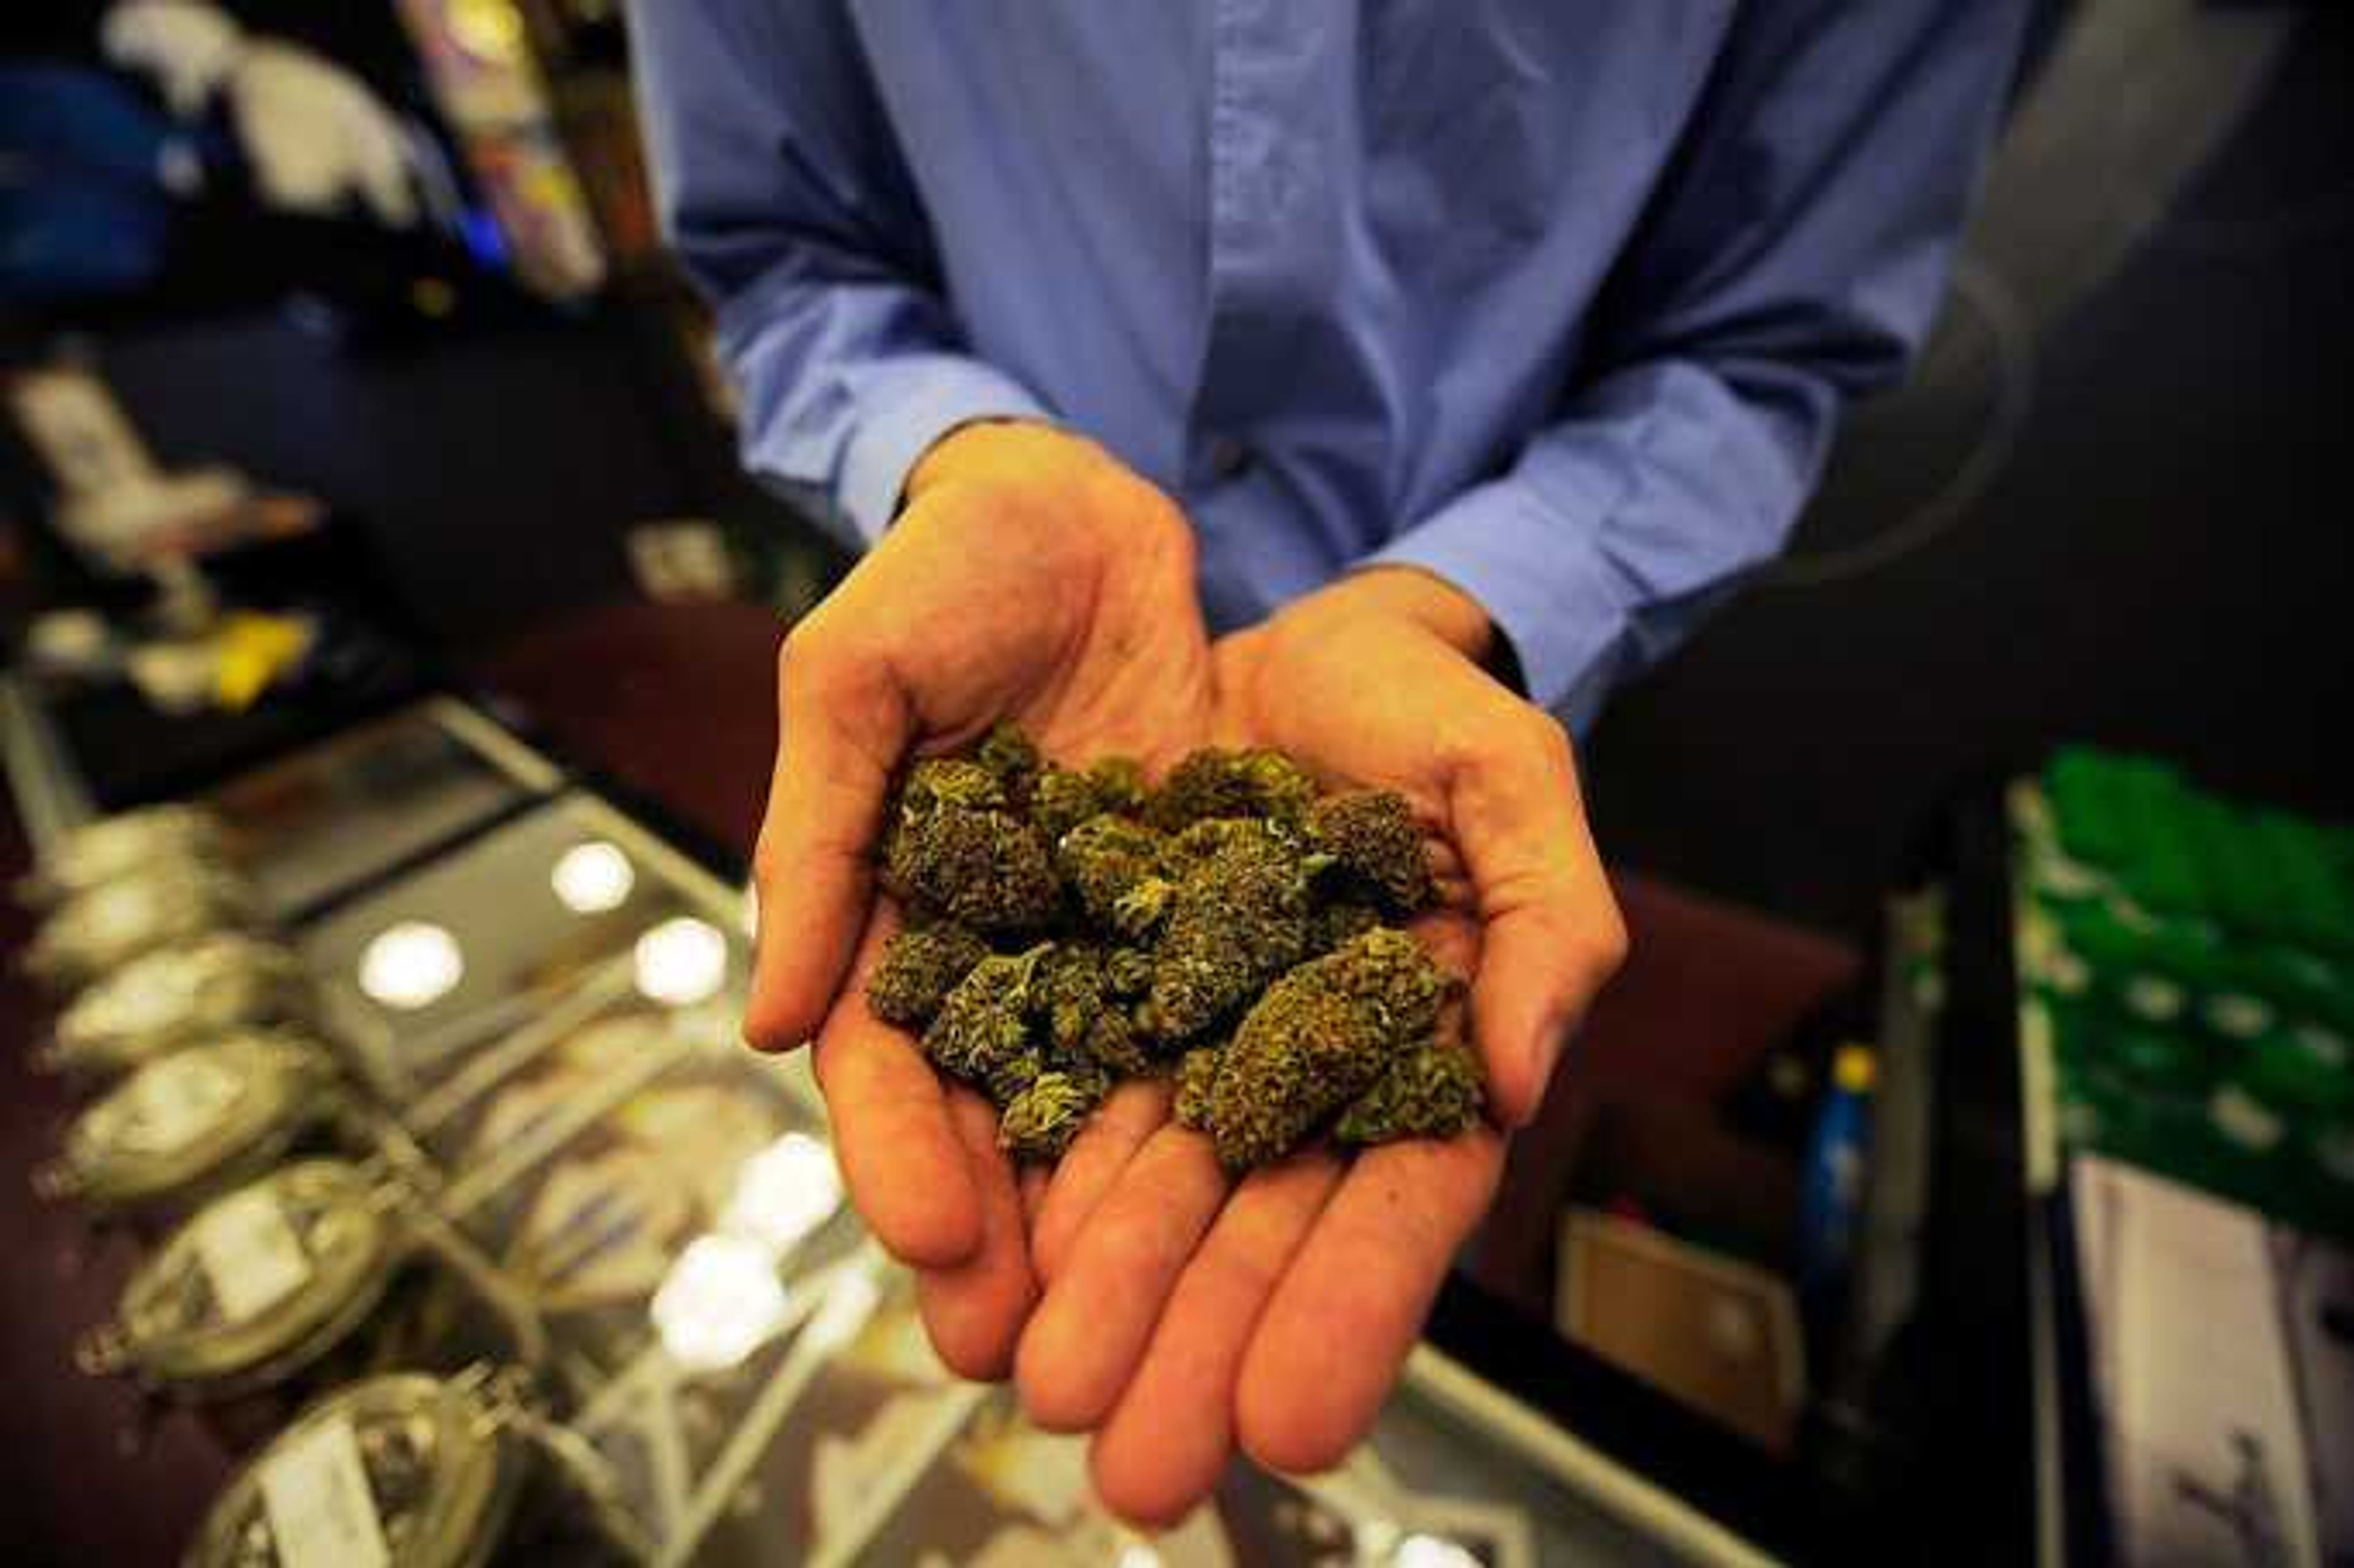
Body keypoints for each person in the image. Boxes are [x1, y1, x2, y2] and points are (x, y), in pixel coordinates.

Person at [628, 1, 2028, 1526]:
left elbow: (1766, 344)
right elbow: (781, 261)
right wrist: (955, 447)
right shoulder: (1082, 911)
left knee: (1408, 1193)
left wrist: (1489, 594)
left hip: (1450, 691)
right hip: (1007, 654)